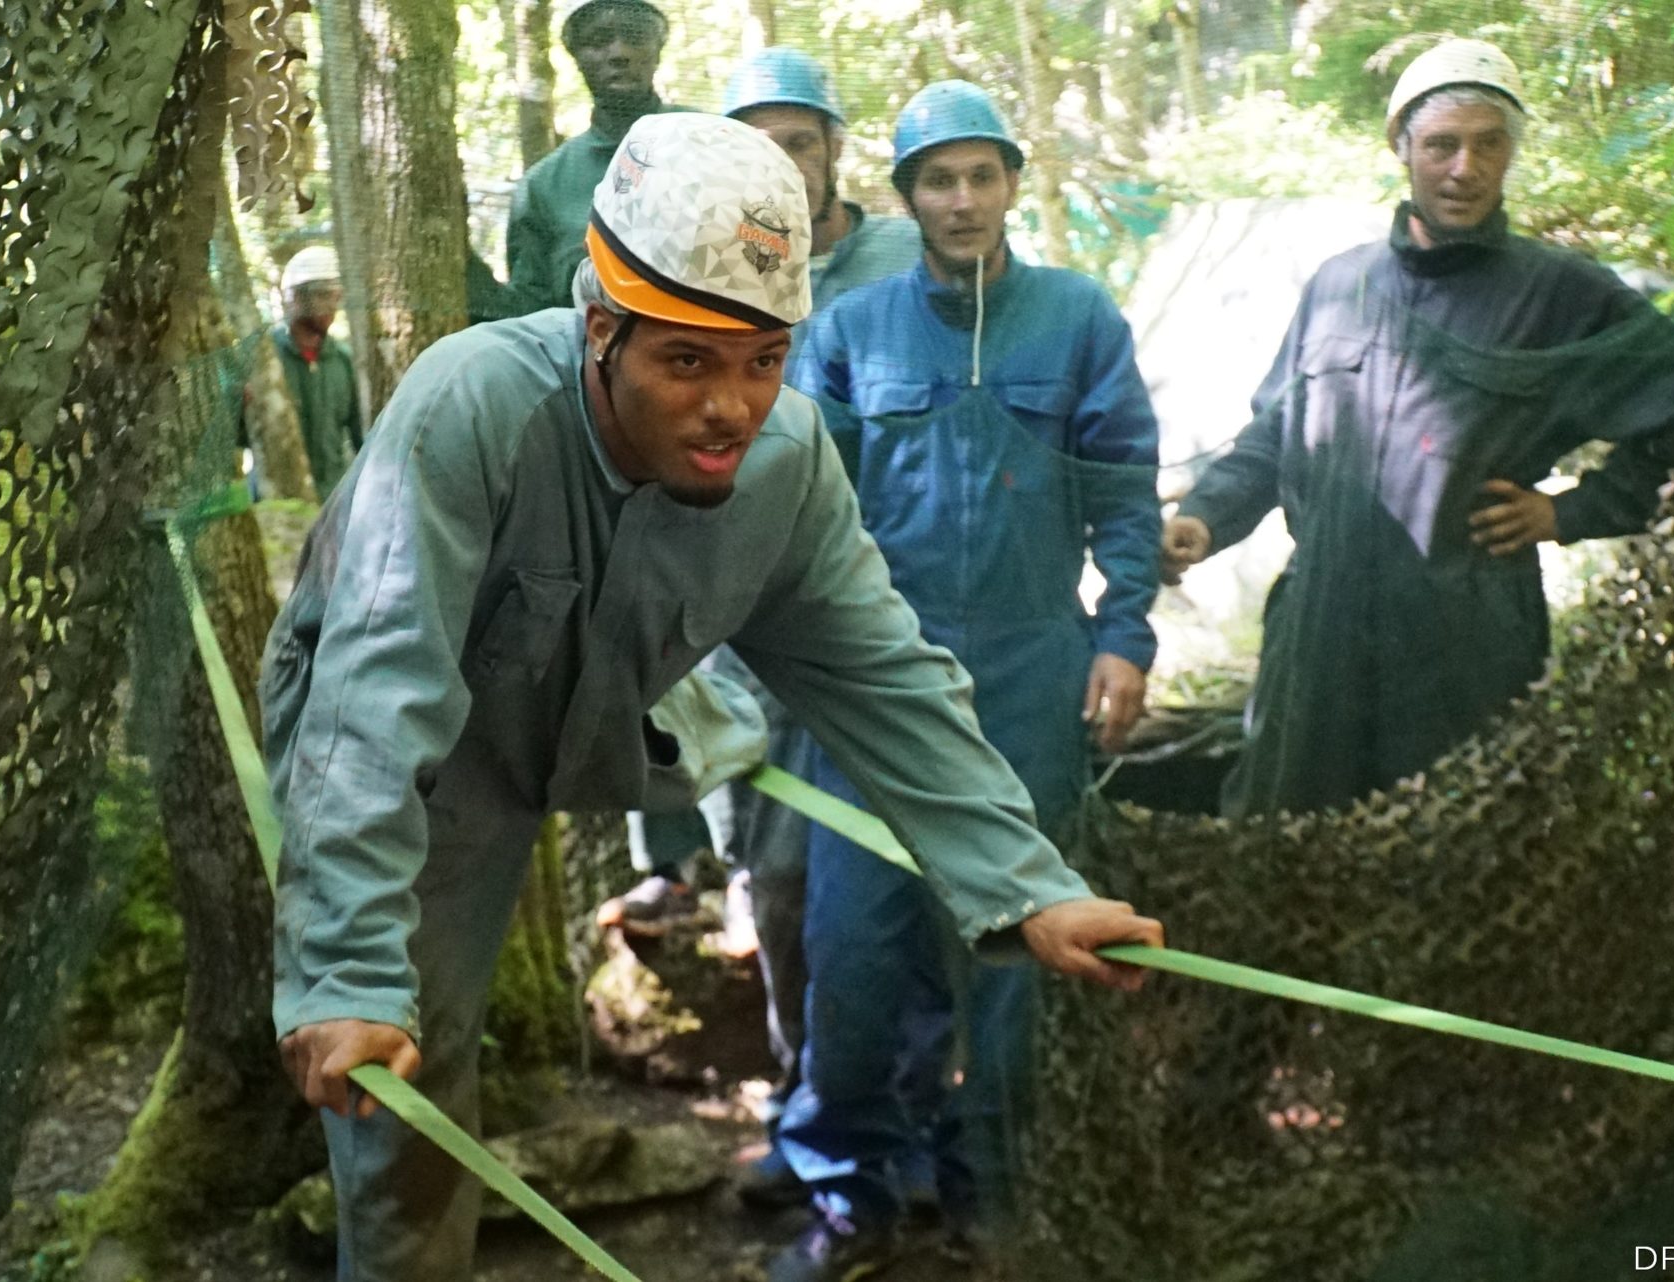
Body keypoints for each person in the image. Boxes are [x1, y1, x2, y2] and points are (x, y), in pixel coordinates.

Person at [265, 112, 1166, 1282]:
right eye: (687, 361)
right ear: (601, 329)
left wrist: (1029, 884)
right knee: (403, 1082)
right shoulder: (472, 407)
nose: (732, 406)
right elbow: (374, 700)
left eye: (763, 360)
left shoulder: (785, 461)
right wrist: (345, 976)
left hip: (588, 717)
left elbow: (884, 677)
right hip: (410, 748)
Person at [773, 80, 1163, 1279]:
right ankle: (851, 1192)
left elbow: (1125, 486)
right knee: (855, 947)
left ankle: (988, 1185)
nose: (960, 200)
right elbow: (802, 509)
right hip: (878, 685)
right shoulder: (852, 330)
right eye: (937, 179)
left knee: (1019, 961)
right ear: (904, 196)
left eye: (981, 175)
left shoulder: (1076, 317)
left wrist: (1125, 633)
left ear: (1011, 186)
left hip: (1033, 668)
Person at [1159, 38, 1674, 819]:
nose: (1466, 168)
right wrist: (1206, 517)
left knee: (1460, 848)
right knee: (1287, 836)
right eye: (1442, 145)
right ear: (1402, 148)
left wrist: (1570, 511)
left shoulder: (1559, 293)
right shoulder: (1342, 284)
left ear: (1510, 154)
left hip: (1464, 649)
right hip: (1319, 642)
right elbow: (1279, 433)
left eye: (1489, 145)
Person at [611, 53, 926, 1201]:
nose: (783, 166)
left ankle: (914, 1119)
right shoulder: (698, 261)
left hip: (879, 612)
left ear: (836, 150)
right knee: (781, 881)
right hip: (744, 622)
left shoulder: (903, 261)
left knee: (915, 878)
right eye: (758, 145)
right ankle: (810, 1112)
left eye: (801, 142)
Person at [505, 0, 684, 310]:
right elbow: (531, 311)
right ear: (576, 57)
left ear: (658, 49)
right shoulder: (543, 188)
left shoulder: (715, 140)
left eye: (635, 37)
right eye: (598, 41)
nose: (619, 53)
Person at [272, 245, 364, 498]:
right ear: (296, 298)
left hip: (333, 500)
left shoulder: (342, 360)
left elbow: (362, 437)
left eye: (336, 295)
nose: (332, 305)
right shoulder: (265, 359)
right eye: (322, 295)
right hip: (278, 504)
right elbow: (234, 437)